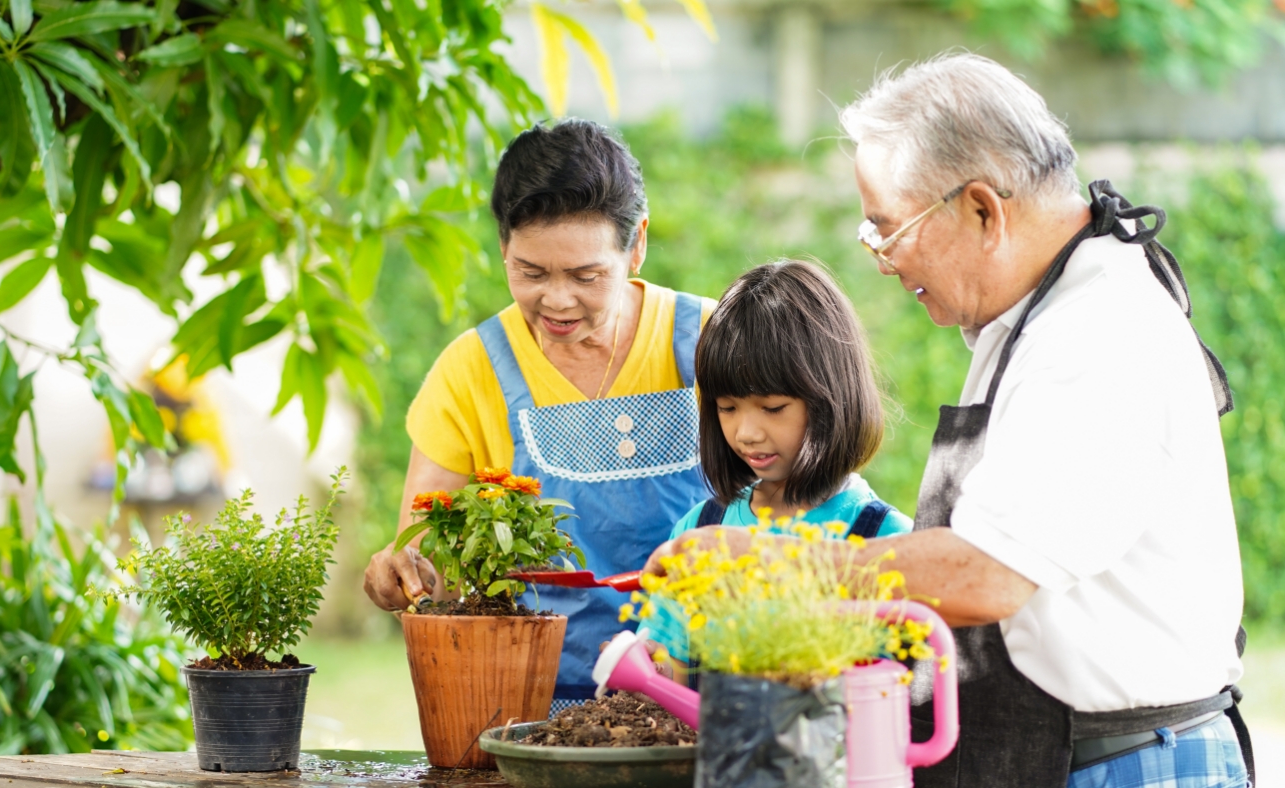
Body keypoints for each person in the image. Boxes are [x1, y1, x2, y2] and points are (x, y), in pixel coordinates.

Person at [644, 54, 1250, 788]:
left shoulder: (1097, 334)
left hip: (1122, 765)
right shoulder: (1031, 321)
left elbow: (988, 573)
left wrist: (774, 564)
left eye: (886, 230)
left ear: (983, 210)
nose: (881, 260)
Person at [362, 118, 716, 709]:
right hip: (536, 707)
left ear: (638, 245)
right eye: (530, 272)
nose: (556, 300)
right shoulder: (470, 371)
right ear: (503, 247)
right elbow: (428, 561)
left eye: (586, 275)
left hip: (706, 694)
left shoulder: (713, 341)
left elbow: (791, 506)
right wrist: (401, 574)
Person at [638, 260, 912, 683]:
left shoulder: (884, 538)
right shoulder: (700, 531)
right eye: (726, 408)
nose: (746, 433)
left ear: (831, 398)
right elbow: (665, 671)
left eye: (773, 408)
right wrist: (644, 667)